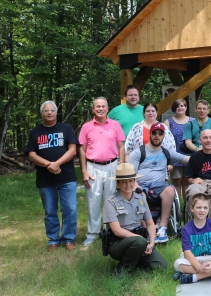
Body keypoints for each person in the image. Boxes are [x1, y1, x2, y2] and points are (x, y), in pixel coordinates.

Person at [25, 101, 78, 251]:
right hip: (45, 179)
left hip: (66, 177)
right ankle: (53, 240)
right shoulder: (36, 132)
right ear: (41, 114)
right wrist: (49, 164)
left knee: (70, 209)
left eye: (52, 110)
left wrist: (57, 164)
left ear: (56, 113)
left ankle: (68, 239)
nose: (49, 113)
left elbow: (73, 150)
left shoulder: (66, 129)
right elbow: (32, 155)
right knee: (50, 211)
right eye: (46, 110)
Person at [128, 121, 189, 243]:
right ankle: (146, 231)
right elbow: (130, 175)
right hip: (141, 185)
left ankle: (162, 228)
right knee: (138, 194)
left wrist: (207, 154)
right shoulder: (138, 152)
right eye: (154, 133)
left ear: (163, 136)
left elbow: (187, 159)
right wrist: (136, 186)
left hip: (160, 185)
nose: (157, 136)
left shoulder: (167, 153)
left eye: (160, 134)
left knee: (170, 190)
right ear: (150, 134)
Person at [102, 163, 167, 275]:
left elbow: (150, 224)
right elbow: (117, 230)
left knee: (161, 266)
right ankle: (123, 269)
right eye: (123, 182)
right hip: (118, 244)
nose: (128, 184)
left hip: (139, 242)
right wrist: (140, 239)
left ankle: (135, 259)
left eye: (131, 181)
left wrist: (151, 243)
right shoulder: (110, 202)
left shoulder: (140, 198)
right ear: (117, 183)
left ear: (134, 181)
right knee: (139, 241)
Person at [79, 97, 125, 247]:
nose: (100, 109)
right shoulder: (86, 127)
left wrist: (121, 168)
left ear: (107, 108)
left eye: (103, 106)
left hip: (112, 165)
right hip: (93, 167)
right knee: (93, 201)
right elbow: (82, 149)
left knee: (111, 200)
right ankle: (92, 234)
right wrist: (84, 171)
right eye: (97, 107)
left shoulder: (115, 125)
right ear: (93, 109)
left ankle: (109, 232)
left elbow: (121, 147)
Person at [173, 193, 211, 284]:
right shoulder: (186, 228)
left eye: (205, 208)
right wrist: (199, 267)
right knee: (178, 263)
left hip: (210, 258)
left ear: (209, 209)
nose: (202, 210)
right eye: (199, 207)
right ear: (192, 208)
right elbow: (187, 253)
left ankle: (194, 277)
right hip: (194, 259)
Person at [165, 98, 193, 198]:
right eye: (177, 106)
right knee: (176, 181)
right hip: (174, 156)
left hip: (190, 155)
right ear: (174, 108)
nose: (180, 108)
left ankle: (186, 207)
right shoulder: (168, 122)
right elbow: (165, 141)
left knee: (187, 181)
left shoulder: (192, 121)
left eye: (182, 106)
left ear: (185, 107)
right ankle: (177, 208)